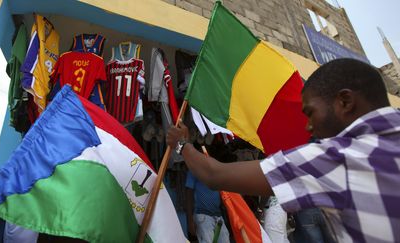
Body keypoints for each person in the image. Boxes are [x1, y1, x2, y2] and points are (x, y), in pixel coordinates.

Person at [167, 58, 400, 243]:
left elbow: (214, 175)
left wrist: (181, 144)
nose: (309, 126)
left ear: (345, 102)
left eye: (310, 112)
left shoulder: (333, 157)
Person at [185, 169, 230, 243]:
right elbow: (188, 195)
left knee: (225, 240)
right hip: (202, 215)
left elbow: (221, 192)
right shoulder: (194, 171)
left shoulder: (215, 170)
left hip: (218, 215)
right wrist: (189, 221)